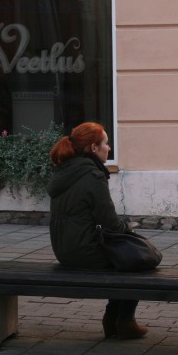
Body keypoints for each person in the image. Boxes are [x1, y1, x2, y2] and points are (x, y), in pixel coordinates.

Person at [47, 122, 148, 340]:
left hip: (63, 249)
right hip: (84, 251)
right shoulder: (92, 176)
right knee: (135, 260)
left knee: (124, 257)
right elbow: (110, 223)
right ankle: (123, 319)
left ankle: (114, 320)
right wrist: (129, 231)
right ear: (94, 148)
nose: (109, 149)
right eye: (106, 144)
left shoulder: (64, 170)